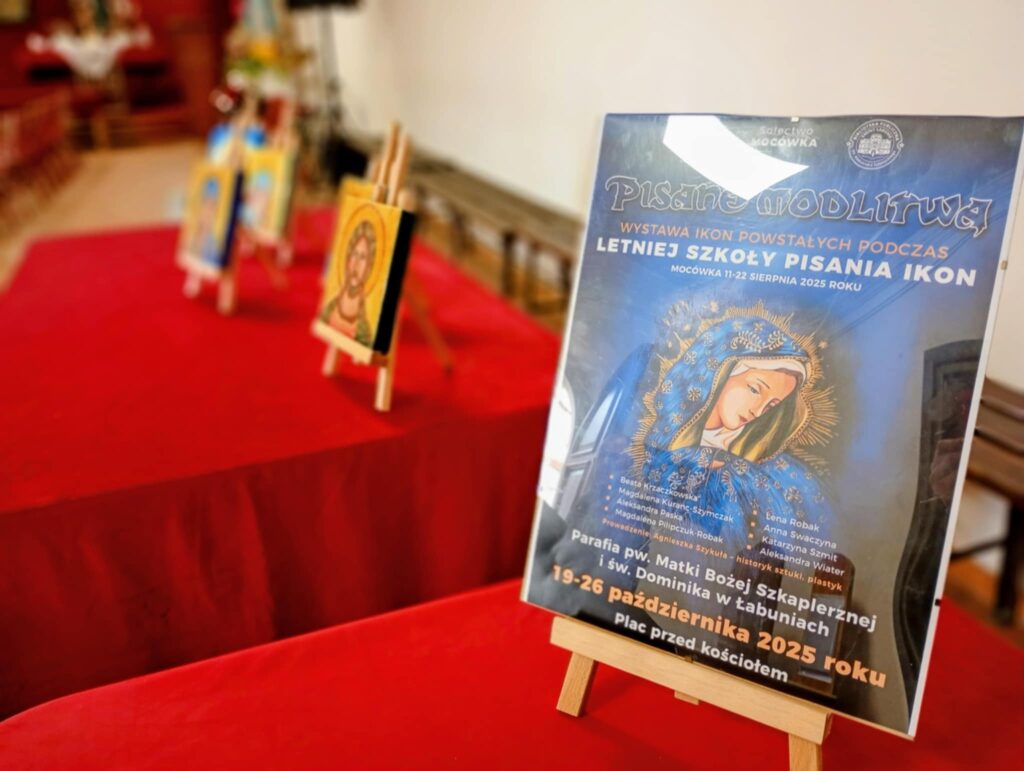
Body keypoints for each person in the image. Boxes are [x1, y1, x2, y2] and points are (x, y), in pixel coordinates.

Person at [320, 220, 376, 347]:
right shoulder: (329, 310)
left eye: (363, 257)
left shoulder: (364, 330)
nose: (356, 263)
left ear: (369, 267)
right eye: (354, 254)